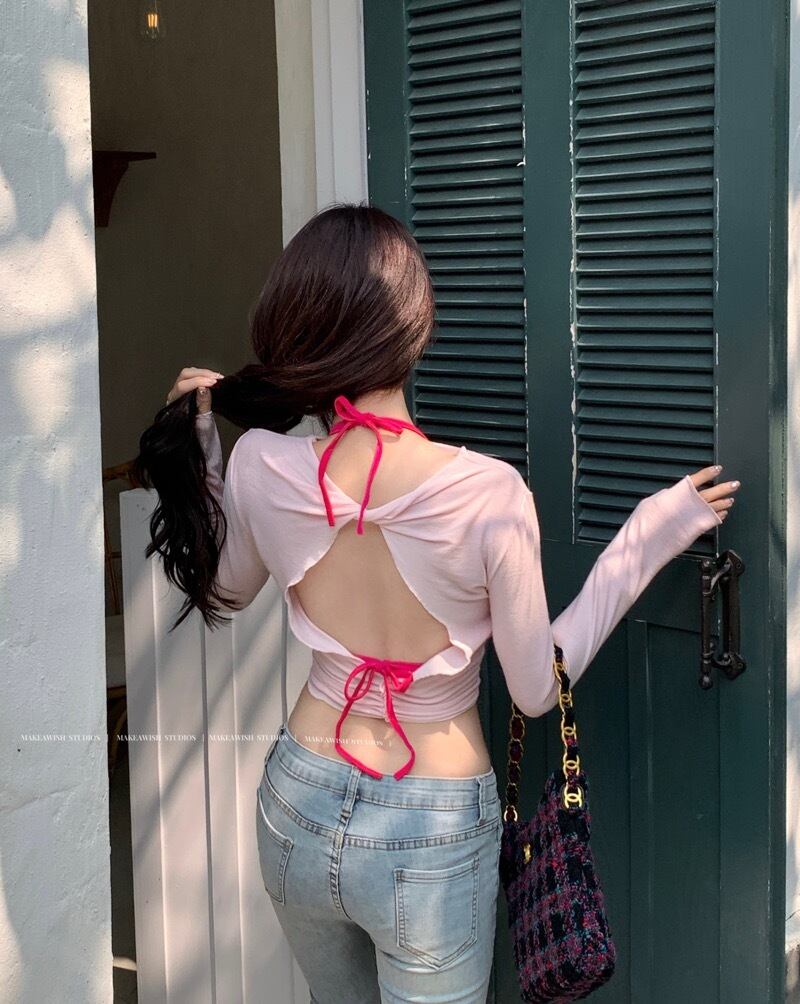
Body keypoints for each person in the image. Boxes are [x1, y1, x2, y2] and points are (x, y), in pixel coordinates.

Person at [133, 203, 739, 1003]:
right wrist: (646, 537)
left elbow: (229, 590)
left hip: (297, 797)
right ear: (413, 331)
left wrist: (207, 458)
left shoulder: (260, 464)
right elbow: (535, 690)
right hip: (432, 824)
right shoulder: (488, 493)